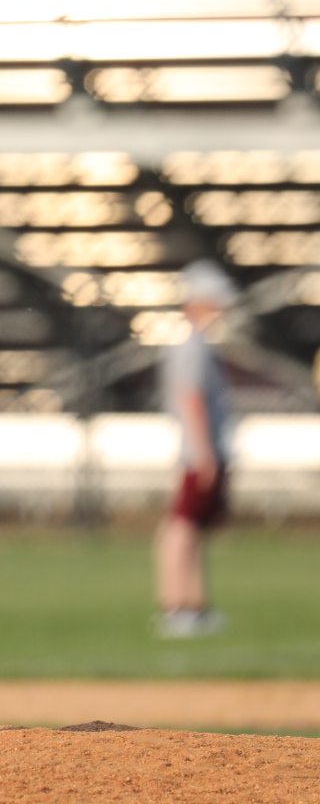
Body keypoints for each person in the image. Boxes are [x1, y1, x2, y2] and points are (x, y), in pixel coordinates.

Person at [154, 259, 236, 639]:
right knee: (182, 529)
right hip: (197, 451)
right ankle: (178, 607)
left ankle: (193, 606)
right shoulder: (194, 346)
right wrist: (204, 452)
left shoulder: (198, 343)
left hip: (199, 449)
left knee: (193, 528)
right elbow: (191, 399)